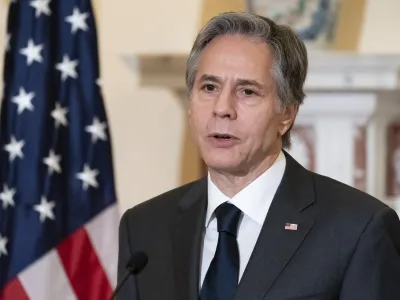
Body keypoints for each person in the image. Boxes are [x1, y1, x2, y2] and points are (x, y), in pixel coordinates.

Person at [116, 12, 400, 300]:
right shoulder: (144, 228)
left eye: (247, 91)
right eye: (209, 87)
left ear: (286, 114)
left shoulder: (358, 230)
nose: (222, 108)